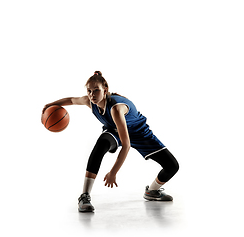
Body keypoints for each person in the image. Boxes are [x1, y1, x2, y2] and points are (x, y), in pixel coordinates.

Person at [42, 71, 179, 212]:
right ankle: (84, 196)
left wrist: (113, 172)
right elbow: (71, 100)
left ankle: (152, 191)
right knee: (100, 146)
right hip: (115, 130)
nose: (92, 94)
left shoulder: (115, 109)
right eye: (89, 91)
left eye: (96, 90)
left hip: (140, 133)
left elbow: (126, 146)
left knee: (172, 166)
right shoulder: (90, 101)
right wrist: (50, 105)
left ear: (105, 90)